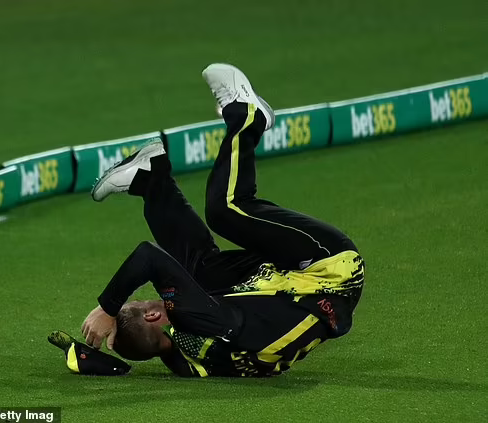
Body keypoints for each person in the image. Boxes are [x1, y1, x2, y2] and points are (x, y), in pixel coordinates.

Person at [81, 63, 365, 377]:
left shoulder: (192, 358)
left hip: (283, 287)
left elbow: (151, 344)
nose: (156, 297)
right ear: (151, 315)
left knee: (198, 271)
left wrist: (96, 357)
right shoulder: (196, 317)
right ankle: (247, 117)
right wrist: (108, 308)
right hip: (328, 269)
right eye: (147, 301)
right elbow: (148, 258)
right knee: (227, 210)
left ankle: (150, 179)